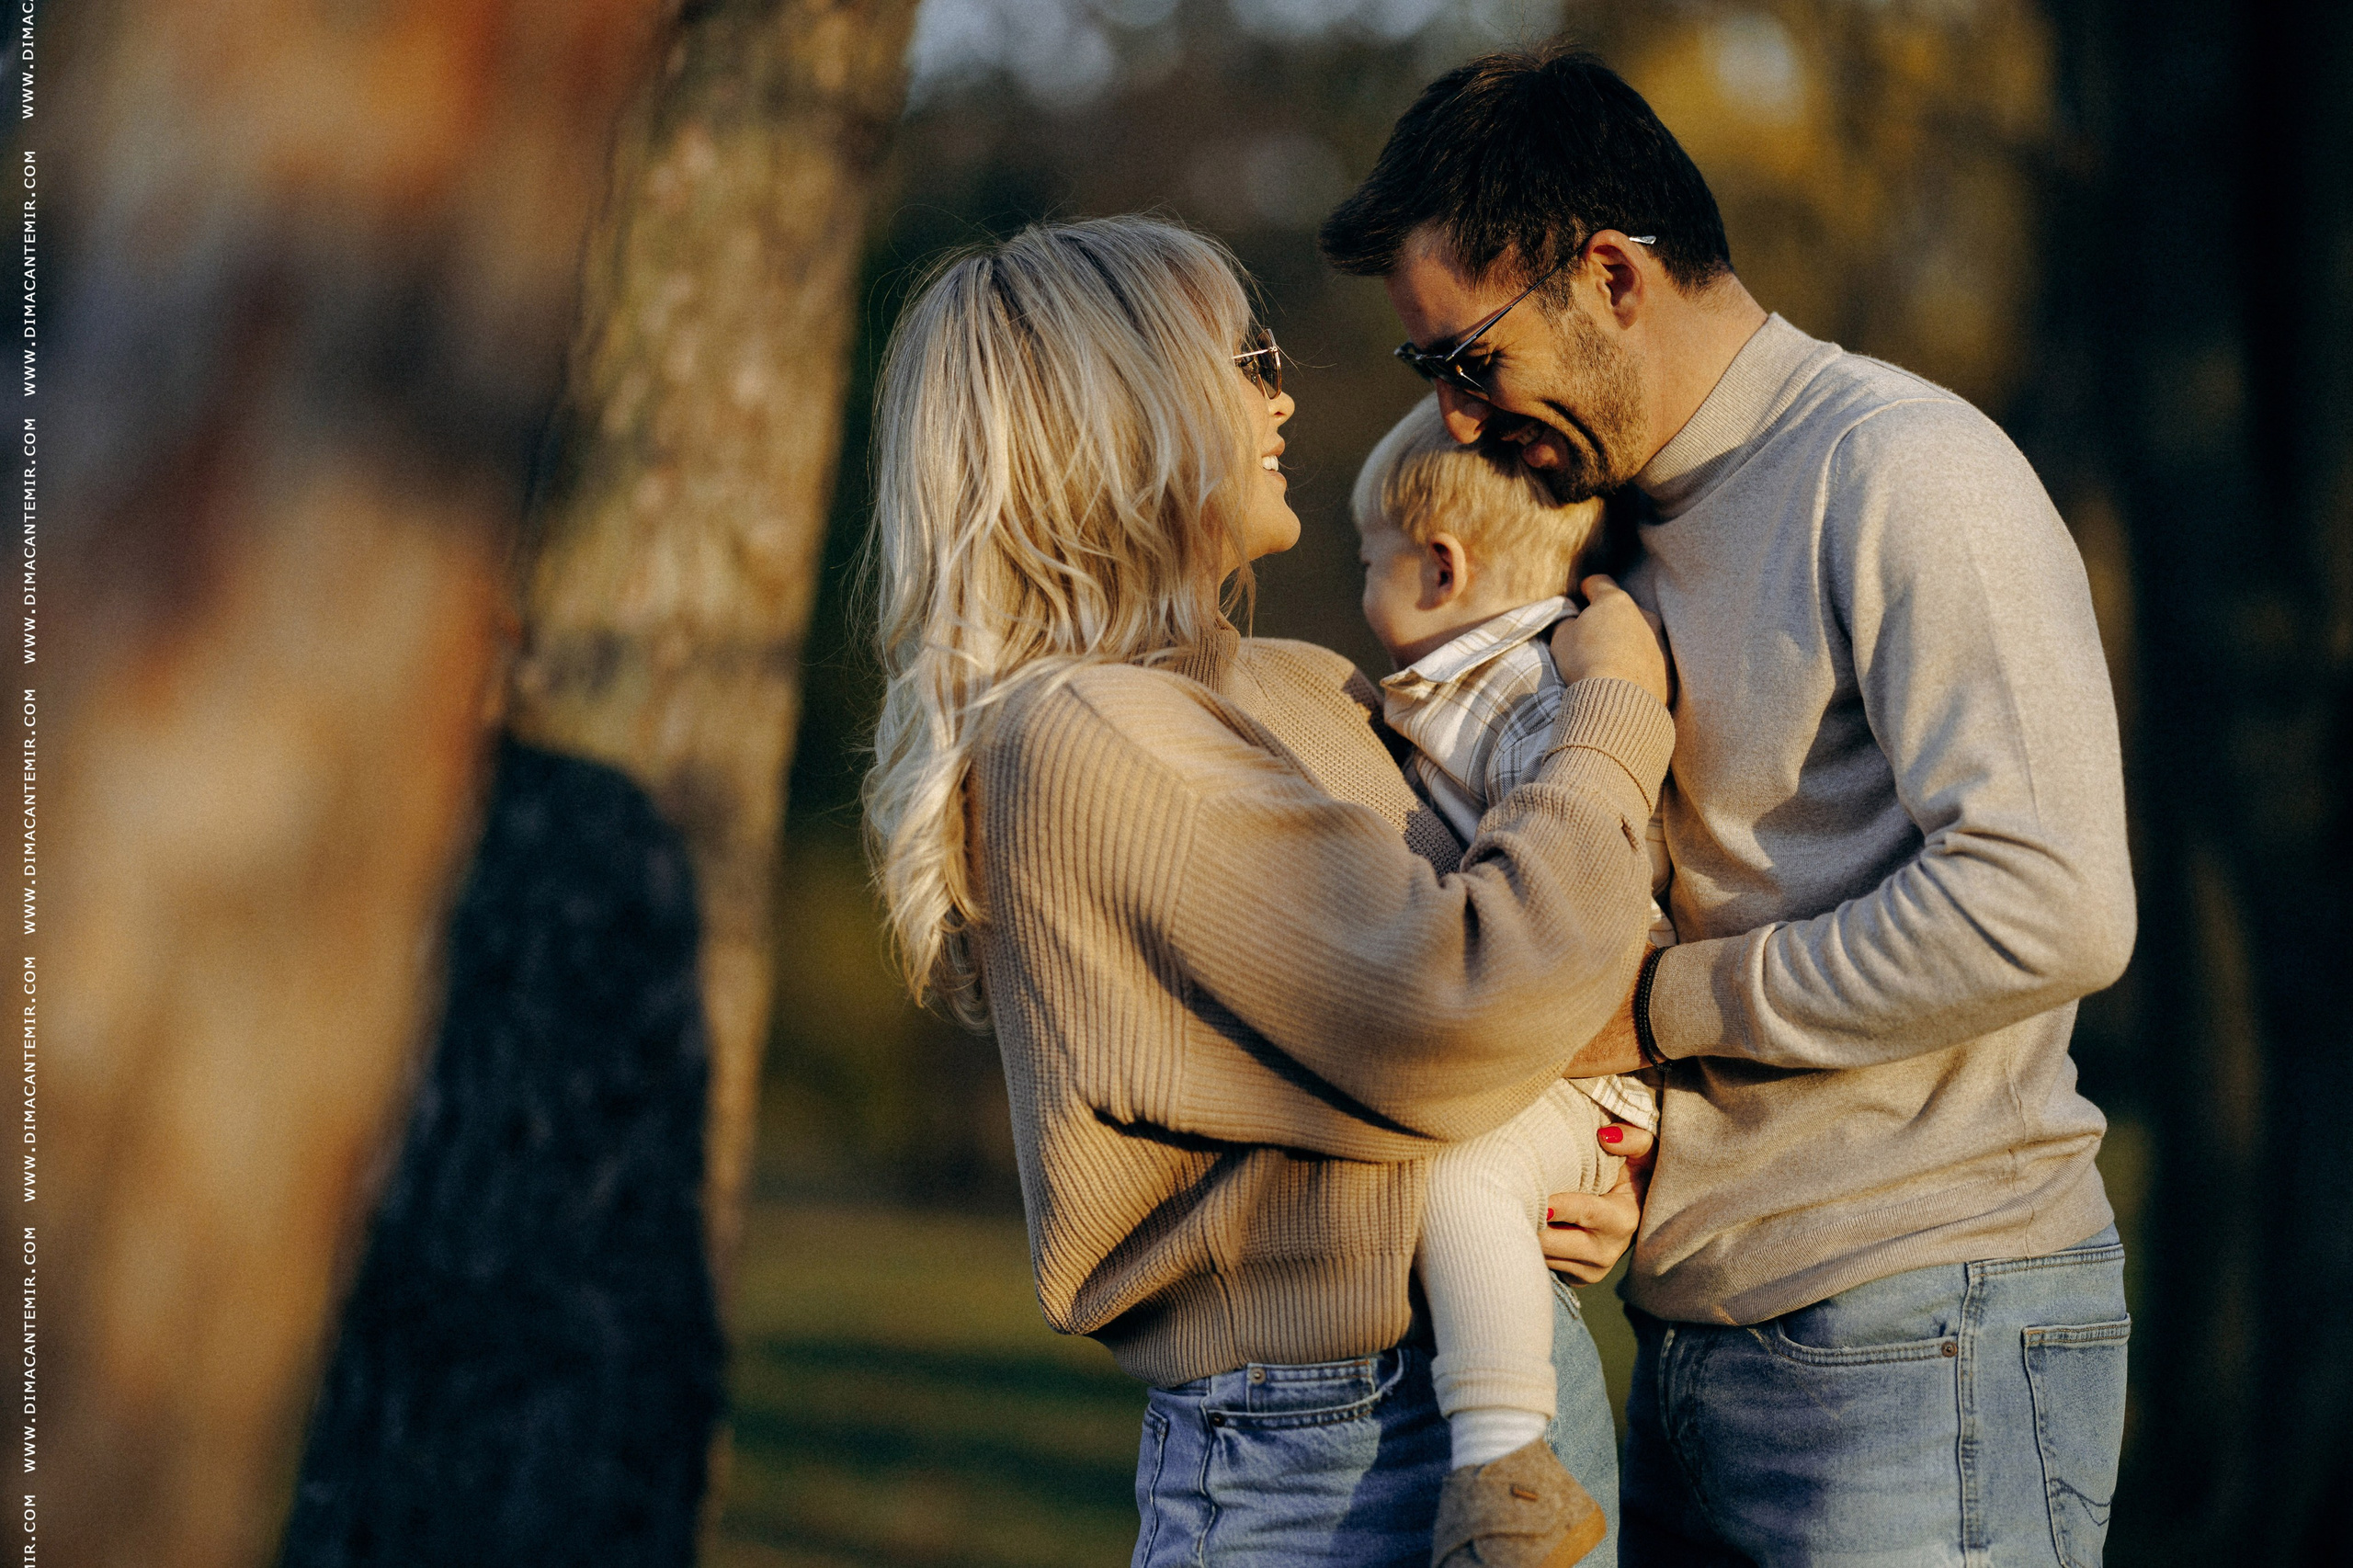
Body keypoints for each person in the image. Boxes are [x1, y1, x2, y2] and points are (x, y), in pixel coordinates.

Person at [1321, 45, 2137, 1567]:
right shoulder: (1603, 525)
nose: (1459, 425)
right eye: (1425, 376)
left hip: (1925, 1323)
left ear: (1612, 275)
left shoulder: (1904, 472)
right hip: (1694, 1338)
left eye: (1470, 362)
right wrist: (1603, 1168)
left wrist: (1657, 1010)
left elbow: (2051, 900)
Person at [861, 215, 1672, 1567]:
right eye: (1245, 356)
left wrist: (1565, 1154)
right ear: (1124, 408)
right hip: (1322, 1453)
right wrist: (1612, 714)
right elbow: (1465, 997)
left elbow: (1543, 980)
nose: (1282, 392)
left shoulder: (1287, 683)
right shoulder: (1092, 739)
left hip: (1491, 1376)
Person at [1353, 392, 1679, 1567]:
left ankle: (1504, 1469)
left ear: (1440, 568)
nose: (1361, 591)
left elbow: (1593, 873)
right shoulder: (1460, 691)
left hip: (1587, 1067)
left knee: (1461, 1170)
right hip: (1557, 1061)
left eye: (1369, 562)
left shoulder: (1522, 692)